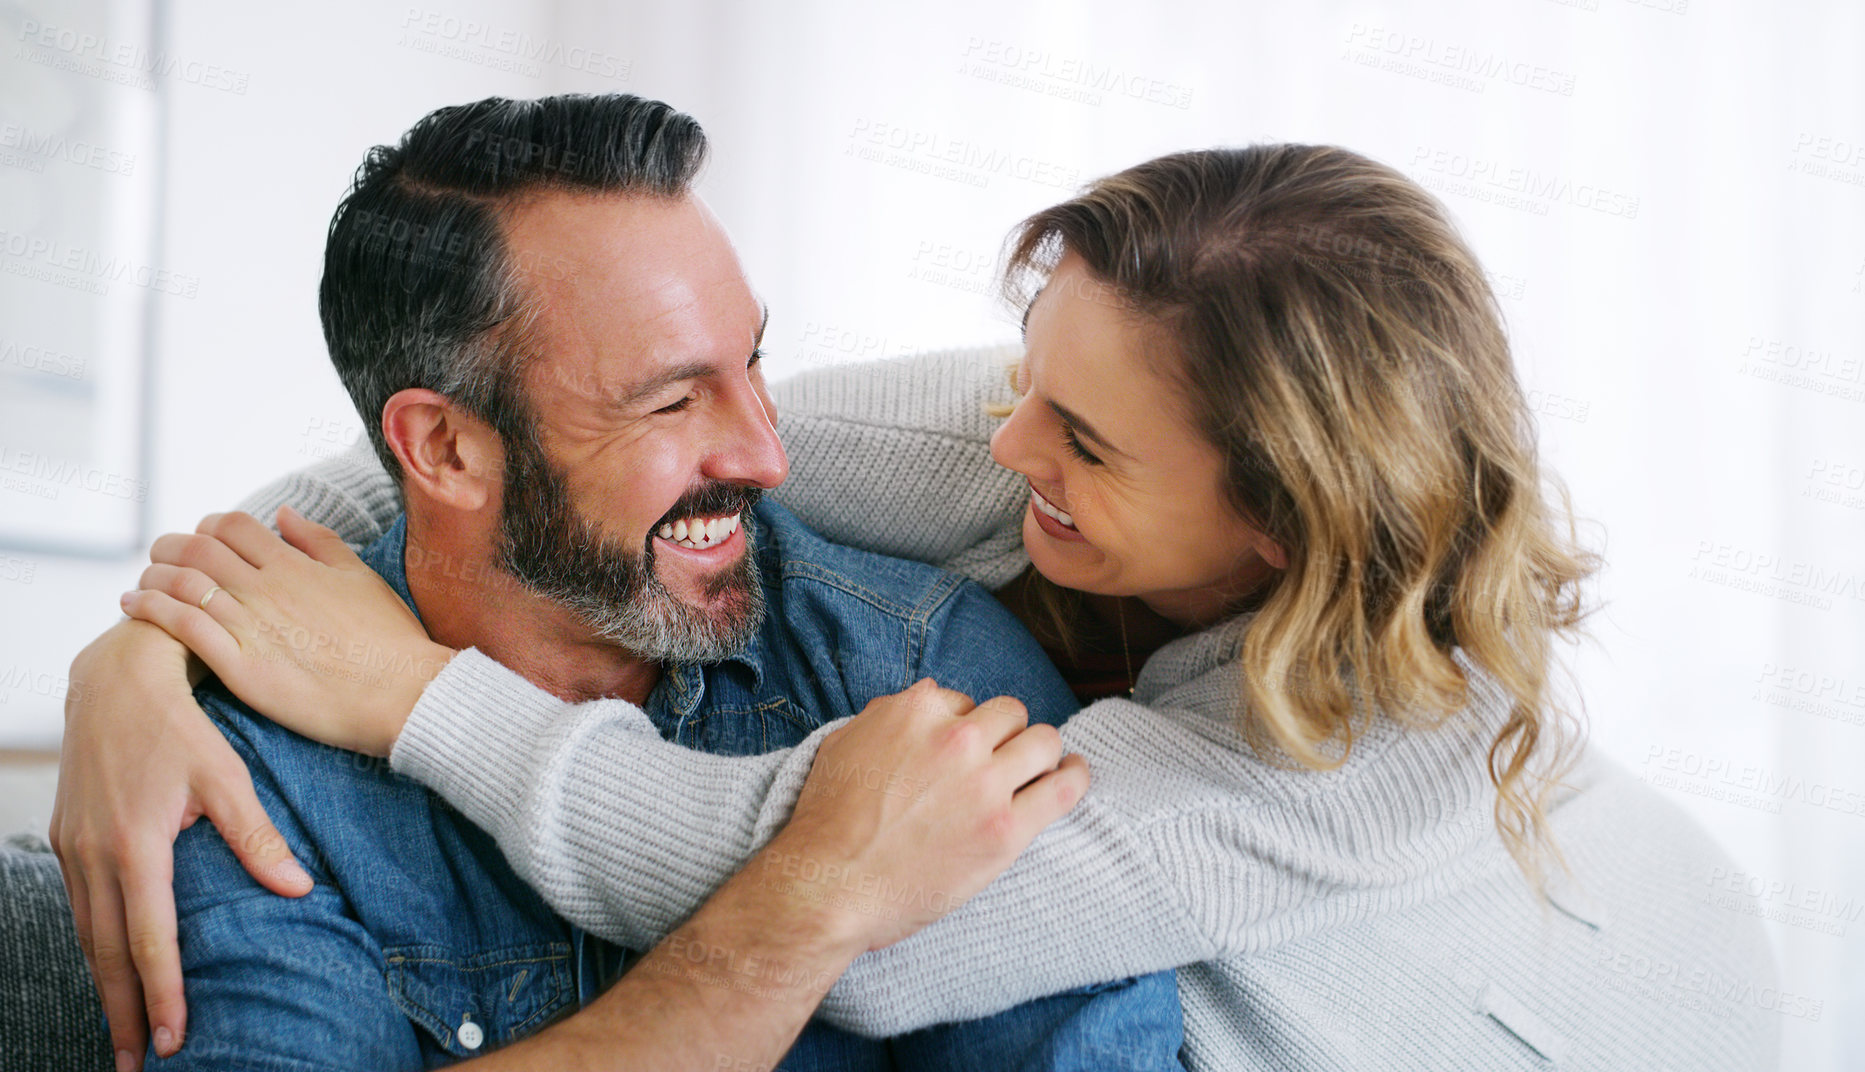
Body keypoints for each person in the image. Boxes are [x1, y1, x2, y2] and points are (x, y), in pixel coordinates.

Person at [82, 143, 1781, 1069]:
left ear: (1273, 527)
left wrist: (406, 699)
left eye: (1081, 442)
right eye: (1027, 376)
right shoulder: (1046, 429)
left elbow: (881, 928)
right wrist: (156, 639)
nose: (1003, 442)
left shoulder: (1362, 752)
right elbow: (533, 458)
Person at [35, 93, 1189, 1072]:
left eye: (753, 365)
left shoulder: (920, 669)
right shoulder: (233, 762)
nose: (765, 459)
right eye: (671, 399)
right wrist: (796, 911)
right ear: (442, 450)